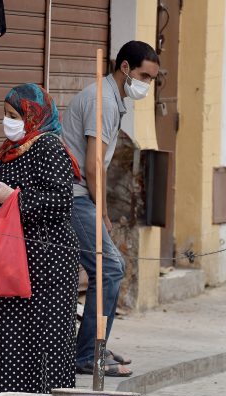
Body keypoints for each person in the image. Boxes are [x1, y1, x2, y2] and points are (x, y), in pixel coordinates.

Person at [0, 84, 80, 396]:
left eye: (14, 115)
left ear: (33, 116)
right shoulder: (7, 149)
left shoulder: (48, 148)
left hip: (44, 271)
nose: (8, 121)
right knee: (3, 348)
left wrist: (10, 197)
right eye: (5, 114)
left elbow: (60, 203)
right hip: (6, 267)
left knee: (40, 349)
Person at [61, 41, 159, 377]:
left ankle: (94, 347)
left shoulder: (111, 98)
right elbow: (92, 165)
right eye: (144, 75)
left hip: (82, 195)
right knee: (111, 269)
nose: (147, 84)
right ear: (125, 68)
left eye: (153, 79)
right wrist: (101, 209)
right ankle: (88, 354)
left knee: (108, 268)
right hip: (75, 195)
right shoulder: (102, 99)